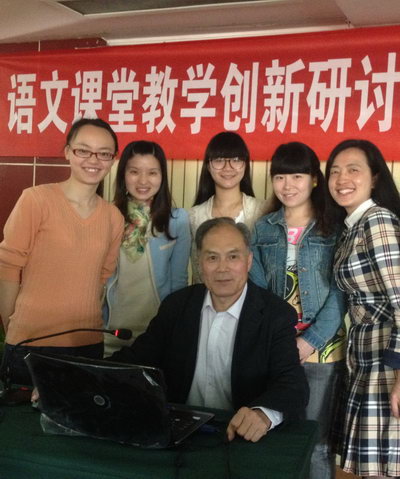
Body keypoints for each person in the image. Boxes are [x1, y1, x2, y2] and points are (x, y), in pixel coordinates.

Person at [110, 217, 308, 442]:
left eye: (233, 257)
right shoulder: (177, 305)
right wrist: (93, 372)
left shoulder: (275, 315)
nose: (223, 268)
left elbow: (293, 384)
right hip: (179, 433)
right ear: (199, 263)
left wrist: (263, 414)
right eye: (212, 257)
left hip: (240, 437)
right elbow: (137, 360)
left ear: (249, 261)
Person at [0, 118, 124, 386]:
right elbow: (8, 268)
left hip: (87, 343)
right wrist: (12, 328)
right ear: (67, 152)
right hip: (30, 342)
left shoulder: (113, 217)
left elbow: (101, 278)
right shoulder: (36, 199)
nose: (93, 160)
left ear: (113, 158)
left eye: (104, 153)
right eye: (83, 150)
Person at [250, 142, 346, 478]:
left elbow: (340, 293)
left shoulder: (334, 227)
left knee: (316, 442)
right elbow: (258, 292)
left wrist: (309, 341)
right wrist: (279, 343)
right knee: (277, 436)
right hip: (277, 347)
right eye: (279, 177)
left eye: (297, 176)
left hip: (323, 350)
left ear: (314, 179)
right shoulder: (263, 228)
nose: (287, 185)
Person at [325, 139, 400, 478]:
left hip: (388, 359)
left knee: (384, 466)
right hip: (366, 356)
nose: (342, 179)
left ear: (375, 178)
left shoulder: (377, 220)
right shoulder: (351, 226)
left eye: (353, 170)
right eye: (335, 171)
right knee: (373, 467)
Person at [103, 140, 191, 356]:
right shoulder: (107, 216)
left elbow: (178, 281)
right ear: (123, 175)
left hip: (156, 334)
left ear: (162, 176)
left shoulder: (177, 220)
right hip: (108, 331)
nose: (143, 180)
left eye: (152, 172)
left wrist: (172, 328)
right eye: (134, 172)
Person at [189, 131, 266, 283]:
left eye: (236, 160)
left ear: (245, 165)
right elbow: (198, 273)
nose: (227, 167)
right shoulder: (194, 216)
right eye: (219, 160)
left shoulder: (262, 211)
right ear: (208, 166)